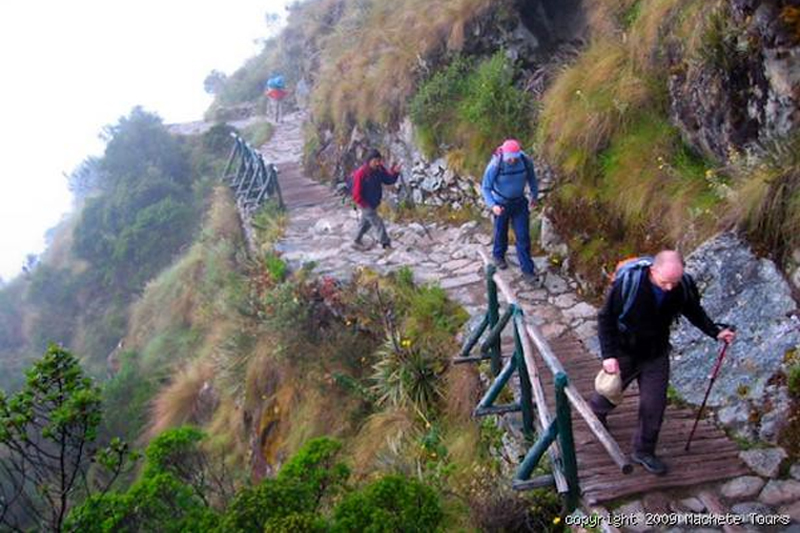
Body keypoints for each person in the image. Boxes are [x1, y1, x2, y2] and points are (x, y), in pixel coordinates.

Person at [590, 250, 736, 476]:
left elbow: (694, 311)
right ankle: (597, 414)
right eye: (664, 282)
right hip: (625, 349)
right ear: (652, 271)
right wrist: (608, 355)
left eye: (674, 282)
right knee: (610, 390)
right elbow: (605, 318)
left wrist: (715, 332)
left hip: (656, 353)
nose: (669, 287)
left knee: (654, 403)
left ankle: (644, 450)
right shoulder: (629, 283)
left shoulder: (682, 286)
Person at [481, 139, 540, 285]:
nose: (512, 160)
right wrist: (492, 205)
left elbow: (532, 178)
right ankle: (498, 255)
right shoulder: (495, 164)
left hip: (519, 203)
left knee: (523, 236)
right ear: (505, 155)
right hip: (501, 204)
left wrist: (534, 195)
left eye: (515, 156)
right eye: (510, 157)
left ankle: (528, 271)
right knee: (501, 231)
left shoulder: (525, 161)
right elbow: (486, 188)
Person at [352, 149, 401, 250]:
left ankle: (356, 241)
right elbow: (356, 192)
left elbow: (388, 180)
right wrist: (363, 204)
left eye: (379, 161)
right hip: (365, 203)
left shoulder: (379, 170)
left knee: (365, 223)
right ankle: (386, 244)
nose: (378, 163)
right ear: (369, 161)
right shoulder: (361, 173)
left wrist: (395, 172)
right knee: (378, 222)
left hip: (374, 202)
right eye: (375, 161)